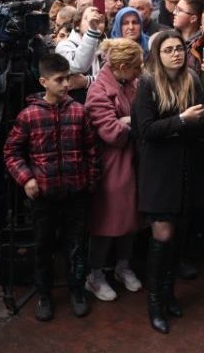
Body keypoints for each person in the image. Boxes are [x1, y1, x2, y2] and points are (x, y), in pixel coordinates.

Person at [3, 53, 101, 322]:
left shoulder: (79, 111)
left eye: (67, 78)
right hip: (44, 196)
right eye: (59, 80)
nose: (66, 84)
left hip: (76, 193)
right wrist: (26, 178)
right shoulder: (29, 115)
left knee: (77, 247)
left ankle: (77, 291)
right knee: (43, 248)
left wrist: (90, 181)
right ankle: (44, 295)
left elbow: (92, 150)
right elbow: (11, 152)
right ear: (44, 82)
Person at [132, 30, 204, 334]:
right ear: (157, 55)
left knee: (178, 234)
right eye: (168, 50)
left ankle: (168, 294)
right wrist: (181, 121)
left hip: (187, 167)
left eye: (179, 48)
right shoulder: (147, 83)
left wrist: (192, 123)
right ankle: (154, 302)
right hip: (159, 171)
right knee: (162, 234)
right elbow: (145, 130)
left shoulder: (192, 79)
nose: (176, 54)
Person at [83, 38, 145, 303]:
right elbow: (112, 132)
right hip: (112, 165)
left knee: (131, 219)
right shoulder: (99, 91)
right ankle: (95, 274)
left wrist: (128, 120)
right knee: (106, 222)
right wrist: (138, 121)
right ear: (121, 66)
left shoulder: (130, 83)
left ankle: (123, 265)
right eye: (136, 66)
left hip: (132, 160)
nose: (140, 71)